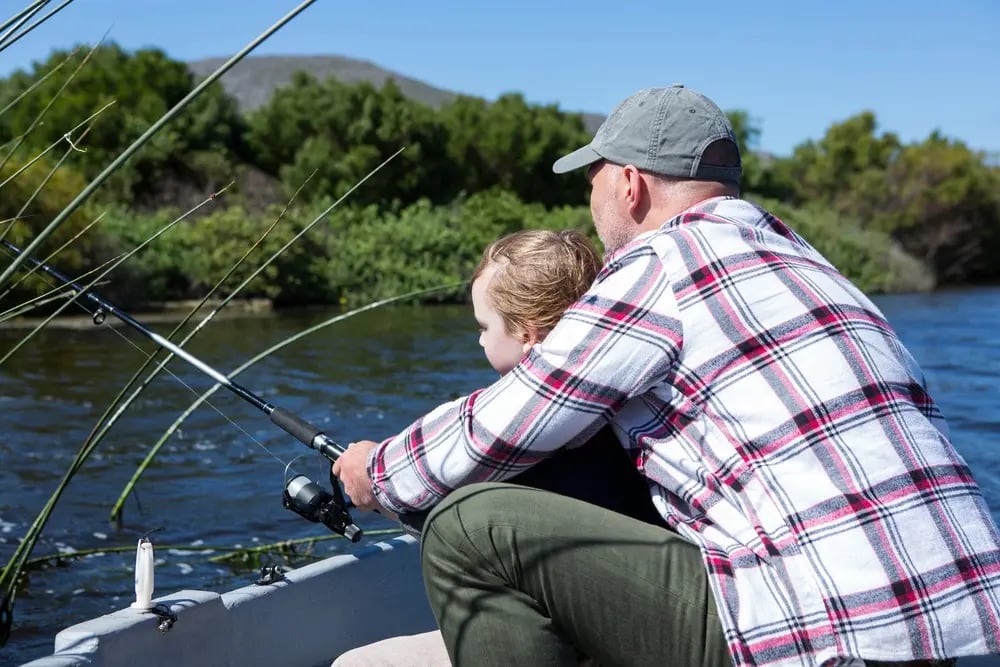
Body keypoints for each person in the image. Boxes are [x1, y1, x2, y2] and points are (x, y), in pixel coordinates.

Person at [334, 85, 1000, 667]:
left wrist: (378, 470)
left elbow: (509, 420)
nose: (589, 204)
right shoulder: (812, 266)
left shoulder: (665, 260)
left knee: (468, 525)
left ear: (630, 184)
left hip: (827, 633)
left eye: (591, 181)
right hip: (962, 630)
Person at [333, 229, 664, 667]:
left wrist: (374, 483)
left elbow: (446, 517)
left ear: (528, 333)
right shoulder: (632, 409)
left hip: (589, 638)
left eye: (484, 327)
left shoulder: (524, 435)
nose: (480, 340)